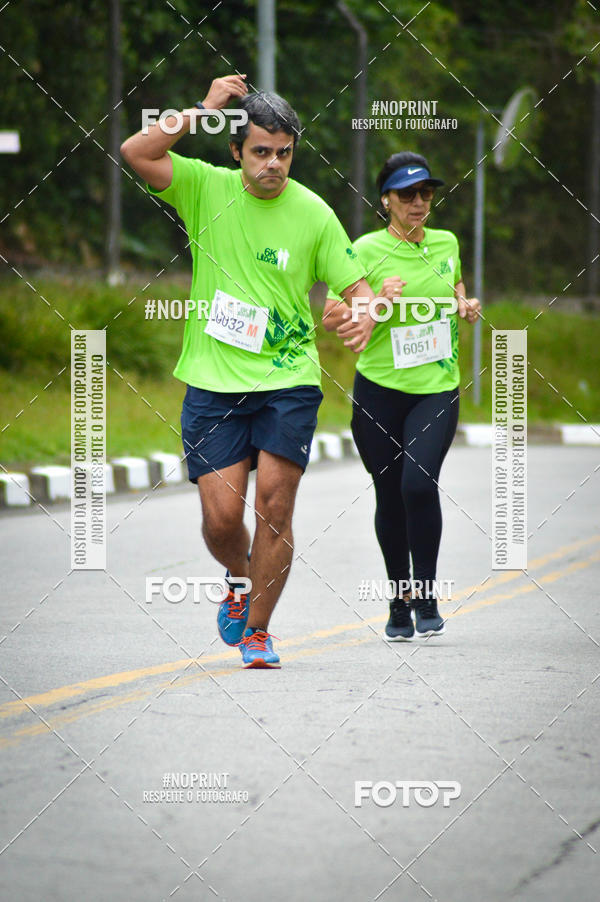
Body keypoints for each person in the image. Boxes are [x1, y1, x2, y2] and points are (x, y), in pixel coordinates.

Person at [120, 75, 376, 667]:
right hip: (212, 382)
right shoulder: (203, 188)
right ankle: (239, 577)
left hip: (288, 383)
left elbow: (357, 287)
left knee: (277, 508)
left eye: (284, 152)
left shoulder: (313, 213)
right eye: (261, 151)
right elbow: (137, 152)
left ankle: (258, 631)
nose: (274, 164)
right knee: (221, 520)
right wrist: (204, 109)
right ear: (236, 150)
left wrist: (364, 315)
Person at [323, 151, 481, 640]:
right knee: (389, 498)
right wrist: (378, 302)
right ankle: (399, 602)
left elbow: (454, 288)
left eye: (426, 194)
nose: (419, 203)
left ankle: (428, 596)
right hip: (378, 393)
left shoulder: (447, 242)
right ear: (386, 200)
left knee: (418, 485)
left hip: (434, 389)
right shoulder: (364, 250)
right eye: (408, 195)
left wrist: (464, 304)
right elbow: (331, 318)